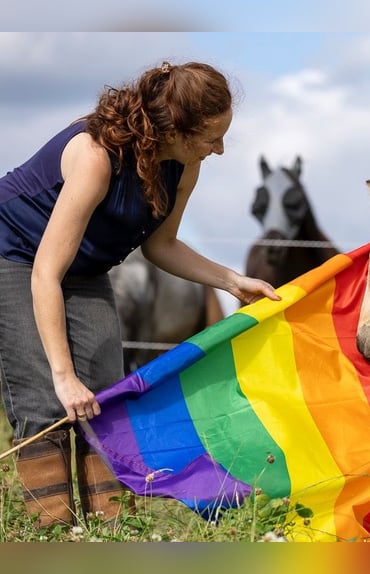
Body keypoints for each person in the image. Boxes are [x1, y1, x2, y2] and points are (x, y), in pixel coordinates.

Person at [0, 61, 280, 528]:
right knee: (46, 401)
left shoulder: (184, 164)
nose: (221, 149)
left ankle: (108, 531)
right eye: (212, 137)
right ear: (173, 129)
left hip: (83, 267)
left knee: (105, 396)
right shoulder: (94, 156)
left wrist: (232, 281)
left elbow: (161, 245)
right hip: (16, 256)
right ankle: (50, 534)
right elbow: (46, 272)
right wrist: (64, 375)